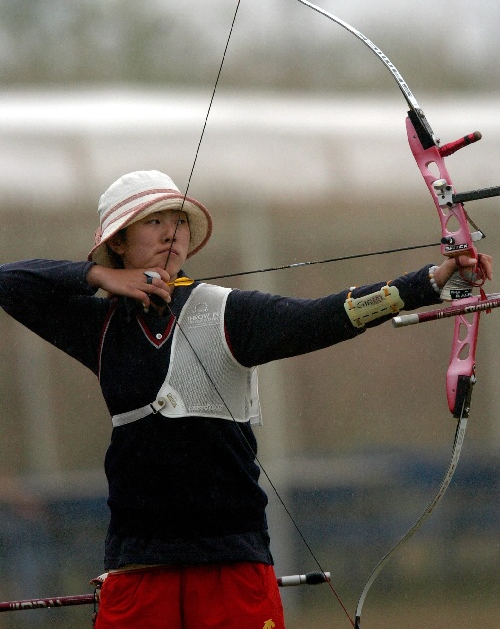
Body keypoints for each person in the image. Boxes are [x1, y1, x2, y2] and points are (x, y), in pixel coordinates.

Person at [0, 170, 493, 629]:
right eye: (153, 222)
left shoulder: (228, 313)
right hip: (137, 568)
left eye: (179, 223)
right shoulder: (99, 327)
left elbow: (327, 316)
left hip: (232, 566)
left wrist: (429, 282)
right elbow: (10, 281)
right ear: (119, 243)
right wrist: (97, 277)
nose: (172, 233)